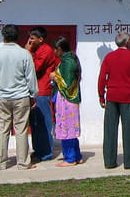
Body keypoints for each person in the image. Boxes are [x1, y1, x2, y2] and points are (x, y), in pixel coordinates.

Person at [0, 24, 38, 170]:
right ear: (17, 37)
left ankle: (1, 162)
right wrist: (33, 95)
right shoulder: (24, 54)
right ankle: (23, 162)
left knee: (2, 130)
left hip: (1, 97)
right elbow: (30, 77)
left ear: (3, 36)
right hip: (21, 96)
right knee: (21, 130)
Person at [98, 32, 130, 169]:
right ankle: (128, 162)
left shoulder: (109, 57)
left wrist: (101, 95)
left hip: (111, 96)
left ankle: (109, 161)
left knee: (110, 130)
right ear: (127, 43)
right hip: (128, 96)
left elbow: (102, 77)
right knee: (129, 130)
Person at [25, 26, 59, 161]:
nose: (30, 41)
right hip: (34, 91)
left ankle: (46, 152)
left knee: (44, 122)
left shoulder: (46, 51)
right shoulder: (37, 49)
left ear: (41, 39)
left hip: (42, 91)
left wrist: (28, 52)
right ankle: (38, 150)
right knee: (35, 123)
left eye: (32, 39)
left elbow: (35, 67)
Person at [50, 36, 83, 167]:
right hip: (69, 100)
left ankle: (70, 158)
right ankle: (77, 155)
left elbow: (67, 83)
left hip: (67, 99)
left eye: (55, 49)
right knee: (71, 128)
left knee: (67, 128)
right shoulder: (70, 59)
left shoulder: (67, 63)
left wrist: (55, 76)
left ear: (59, 49)